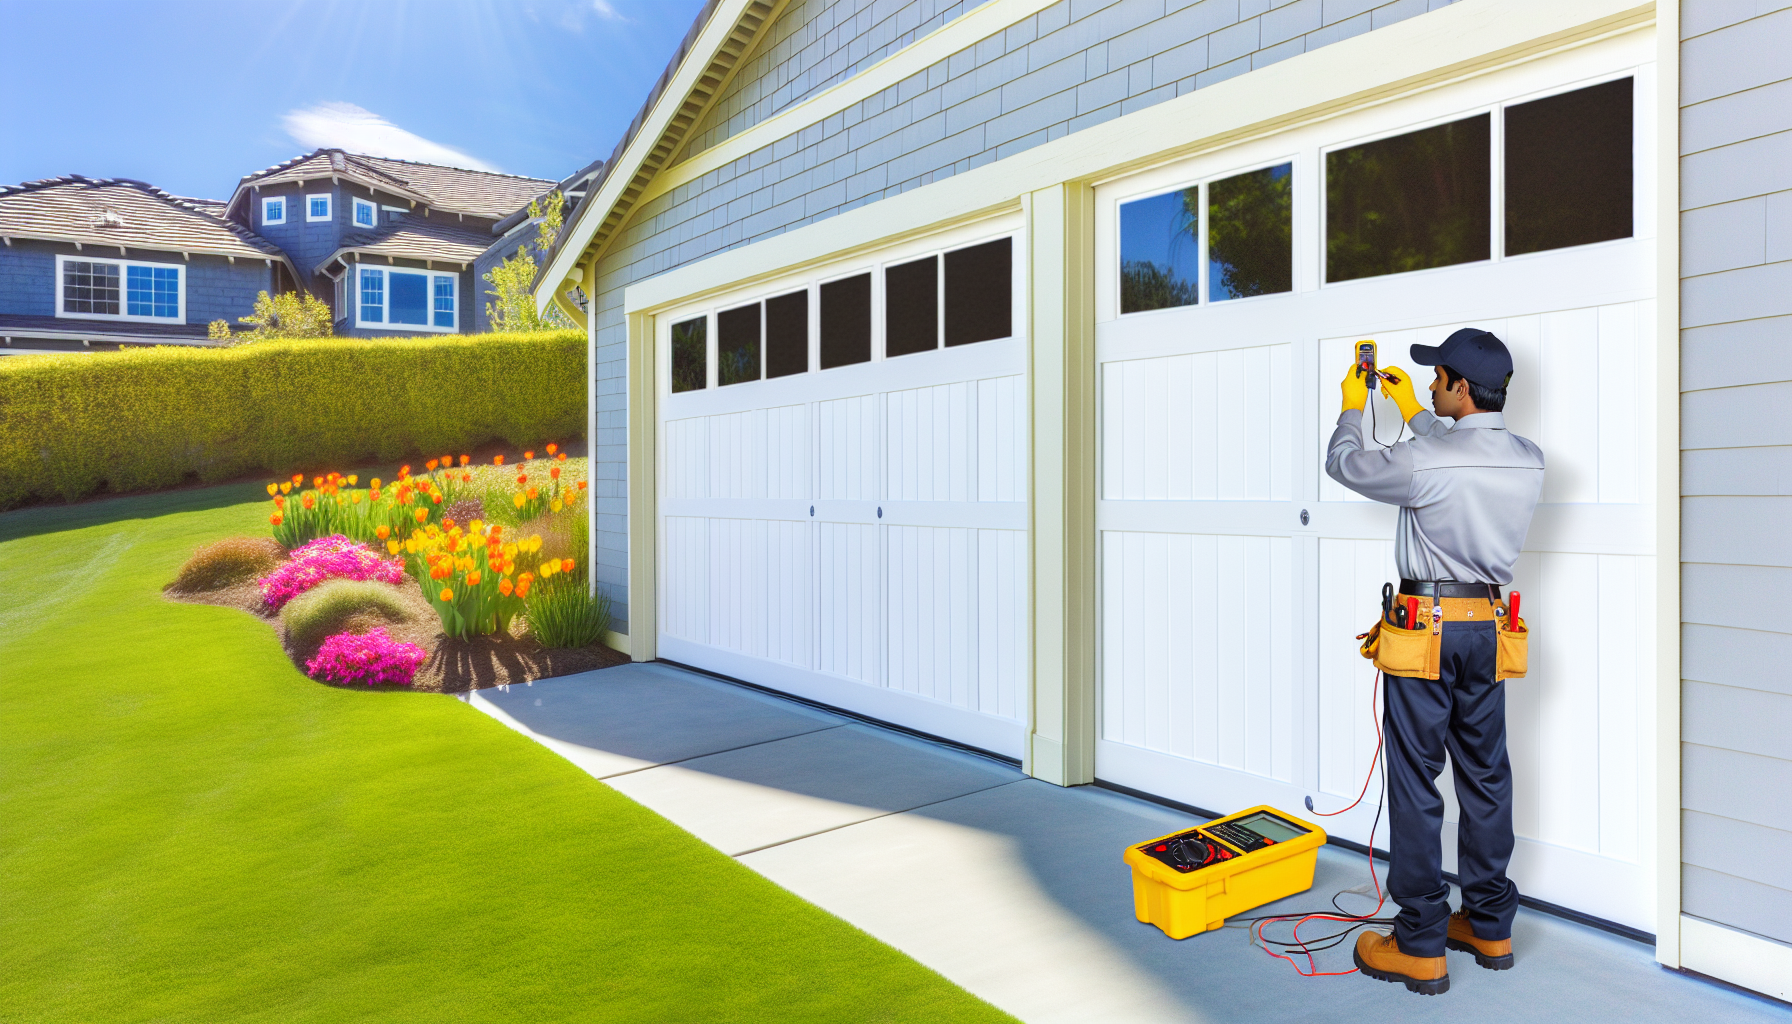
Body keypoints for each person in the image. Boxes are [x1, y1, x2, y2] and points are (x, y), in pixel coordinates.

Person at [1324, 328, 1545, 996]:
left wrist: (1354, 407)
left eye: (1436, 377)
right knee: (1486, 774)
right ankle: (1488, 924)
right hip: (1489, 629)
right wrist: (1415, 412)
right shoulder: (1528, 459)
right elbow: (1458, 453)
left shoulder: (1425, 461)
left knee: (1416, 779)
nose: (1429, 383)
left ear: (1460, 386)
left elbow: (1346, 464)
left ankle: (1420, 942)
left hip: (1425, 632)